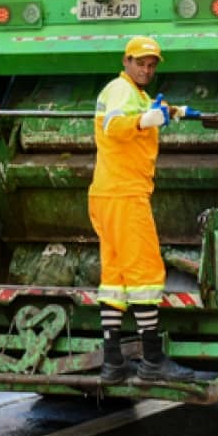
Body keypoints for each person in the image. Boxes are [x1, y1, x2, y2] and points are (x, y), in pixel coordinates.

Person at [89, 36, 197, 383]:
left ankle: (113, 363)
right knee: (145, 274)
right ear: (127, 61)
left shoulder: (134, 94)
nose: (147, 69)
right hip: (125, 195)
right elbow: (115, 125)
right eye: (141, 63)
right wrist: (145, 122)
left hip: (107, 194)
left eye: (152, 65)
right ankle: (152, 360)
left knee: (115, 279)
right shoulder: (121, 91)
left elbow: (148, 109)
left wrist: (177, 112)